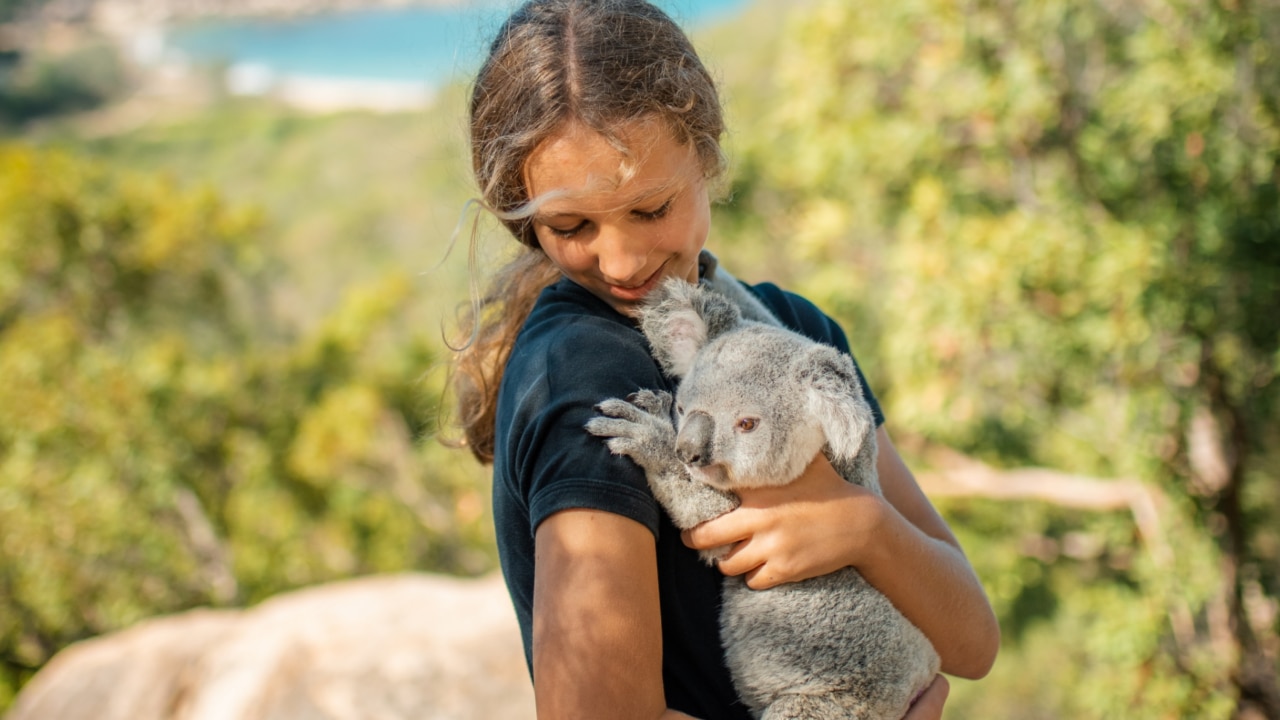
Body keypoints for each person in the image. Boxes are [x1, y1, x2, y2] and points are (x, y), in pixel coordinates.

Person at [450, 1, 1000, 718]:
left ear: (705, 157)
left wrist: (864, 527)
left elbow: (972, 643)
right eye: (571, 226)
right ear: (523, 217)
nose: (620, 260)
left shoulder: (796, 333)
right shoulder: (584, 380)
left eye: (651, 210)